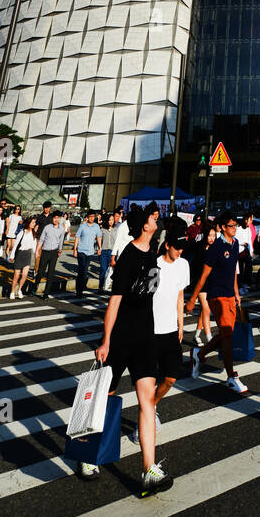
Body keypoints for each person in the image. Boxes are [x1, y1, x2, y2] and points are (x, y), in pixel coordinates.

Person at [92, 201, 173, 494]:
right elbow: (114, 301)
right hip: (122, 337)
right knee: (105, 398)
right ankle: (89, 455)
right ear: (143, 225)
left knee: (147, 401)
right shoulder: (128, 256)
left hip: (145, 337)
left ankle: (149, 469)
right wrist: (106, 340)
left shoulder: (153, 254)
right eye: (154, 217)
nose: (158, 219)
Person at [128, 218, 191, 445]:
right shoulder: (155, 265)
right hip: (151, 330)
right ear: (167, 245)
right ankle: (143, 420)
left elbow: (180, 295)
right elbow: (146, 297)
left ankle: (151, 406)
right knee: (147, 381)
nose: (180, 250)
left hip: (171, 330)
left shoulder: (184, 265)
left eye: (183, 247)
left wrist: (181, 324)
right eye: (177, 246)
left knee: (171, 377)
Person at [186, 211, 248, 394]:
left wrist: (237, 293)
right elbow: (203, 276)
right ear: (222, 227)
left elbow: (233, 270)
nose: (234, 229)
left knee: (226, 333)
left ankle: (200, 353)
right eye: (231, 226)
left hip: (230, 294)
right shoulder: (216, 248)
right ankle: (231, 376)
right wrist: (191, 299)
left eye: (235, 225)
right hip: (216, 294)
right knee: (227, 333)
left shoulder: (235, 244)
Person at [35, 210, 67, 298]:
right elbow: (41, 239)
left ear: (60, 219)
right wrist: (37, 250)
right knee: (41, 271)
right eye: (55, 218)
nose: (56, 220)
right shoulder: (47, 227)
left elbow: (61, 240)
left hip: (54, 252)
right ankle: (36, 284)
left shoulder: (61, 229)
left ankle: (46, 293)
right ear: (52, 218)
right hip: (45, 251)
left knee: (50, 272)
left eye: (58, 218)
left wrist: (60, 250)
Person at [74, 211, 102, 298]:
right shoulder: (82, 226)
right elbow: (77, 237)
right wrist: (75, 249)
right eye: (90, 216)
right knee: (81, 270)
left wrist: (100, 248)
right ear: (87, 217)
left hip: (90, 252)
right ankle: (79, 290)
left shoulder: (96, 227)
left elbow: (98, 237)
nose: (92, 218)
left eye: (93, 216)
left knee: (85, 271)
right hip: (81, 251)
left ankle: (81, 287)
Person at [9, 215, 38, 299]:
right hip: (20, 254)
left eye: (34, 223)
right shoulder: (22, 232)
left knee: (25, 275)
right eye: (32, 222)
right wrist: (12, 255)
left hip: (28, 254)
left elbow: (34, 245)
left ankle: (19, 290)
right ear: (28, 223)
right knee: (16, 275)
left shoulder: (33, 233)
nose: (34, 224)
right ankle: (12, 291)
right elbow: (16, 245)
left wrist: (36, 253)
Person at [98, 213, 115, 291]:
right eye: (109, 220)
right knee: (103, 269)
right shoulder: (102, 230)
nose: (111, 221)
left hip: (112, 253)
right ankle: (100, 287)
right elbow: (99, 240)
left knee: (112, 271)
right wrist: (99, 248)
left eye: (112, 220)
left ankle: (109, 286)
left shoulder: (116, 230)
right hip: (104, 252)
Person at [235, 215, 253, 291]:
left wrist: (251, 251)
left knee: (248, 269)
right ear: (245, 220)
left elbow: (250, 241)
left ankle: (245, 284)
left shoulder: (249, 230)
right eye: (249, 220)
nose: (250, 222)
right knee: (240, 270)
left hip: (246, 251)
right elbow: (236, 239)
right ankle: (239, 286)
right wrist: (243, 243)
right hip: (240, 251)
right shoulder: (239, 229)